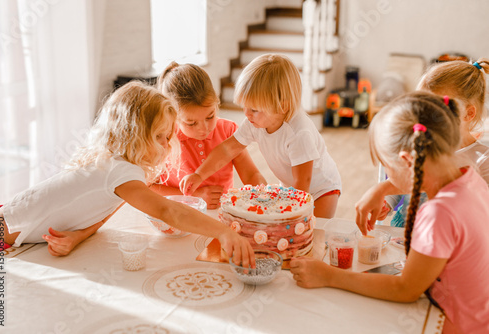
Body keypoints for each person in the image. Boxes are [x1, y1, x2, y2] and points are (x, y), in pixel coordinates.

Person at [0, 81, 255, 267]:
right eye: (160, 137)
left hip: (4, 222)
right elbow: (168, 212)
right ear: (136, 136)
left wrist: (79, 236)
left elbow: (109, 206)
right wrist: (223, 232)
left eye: (167, 136)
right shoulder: (120, 170)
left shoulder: (118, 168)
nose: (167, 145)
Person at [291, 92, 489, 333]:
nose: (387, 176)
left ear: (407, 161)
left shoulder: (439, 214)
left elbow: (405, 290)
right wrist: (383, 187)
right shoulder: (471, 178)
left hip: (454, 325)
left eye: (386, 167)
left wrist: (329, 276)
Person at [179, 54, 342, 218]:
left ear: (282, 106)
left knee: (313, 232)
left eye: (254, 109)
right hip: (291, 186)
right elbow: (227, 149)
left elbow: (303, 181)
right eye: (245, 106)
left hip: (322, 190)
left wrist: (291, 214)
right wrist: (200, 174)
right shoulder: (254, 122)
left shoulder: (299, 134)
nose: (246, 114)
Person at [371, 58, 489, 227]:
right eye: (421, 105)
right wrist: (387, 202)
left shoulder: (483, 161)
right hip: (404, 232)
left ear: (469, 114)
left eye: (436, 109)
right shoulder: (418, 143)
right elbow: (402, 182)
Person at [150, 62, 266, 209]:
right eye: (191, 123)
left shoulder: (228, 131)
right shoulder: (165, 139)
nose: (203, 129)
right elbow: (149, 187)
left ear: (217, 103)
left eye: (210, 116)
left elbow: (250, 175)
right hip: (181, 214)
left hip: (222, 213)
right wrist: (193, 197)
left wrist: (265, 194)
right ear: (172, 116)